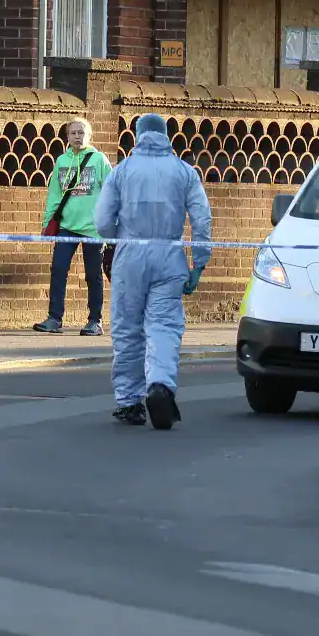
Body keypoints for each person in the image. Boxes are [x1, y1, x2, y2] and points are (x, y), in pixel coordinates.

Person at [94, 112, 212, 430]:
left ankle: (129, 401)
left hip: (130, 253)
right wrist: (198, 264)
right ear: (166, 136)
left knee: (127, 327)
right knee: (163, 326)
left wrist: (114, 240)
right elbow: (202, 220)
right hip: (170, 254)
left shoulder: (122, 171)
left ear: (136, 135)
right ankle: (160, 384)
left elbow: (103, 220)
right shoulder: (184, 172)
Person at [33, 117, 113, 336]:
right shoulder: (61, 161)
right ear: (67, 137)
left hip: (93, 229)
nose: (77, 137)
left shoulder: (99, 160)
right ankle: (54, 318)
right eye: (73, 133)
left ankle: (94, 321)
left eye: (81, 132)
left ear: (89, 135)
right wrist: (47, 222)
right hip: (67, 226)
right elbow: (55, 195)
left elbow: (111, 192)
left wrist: (111, 223)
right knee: (58, 270)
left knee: (92, 274)